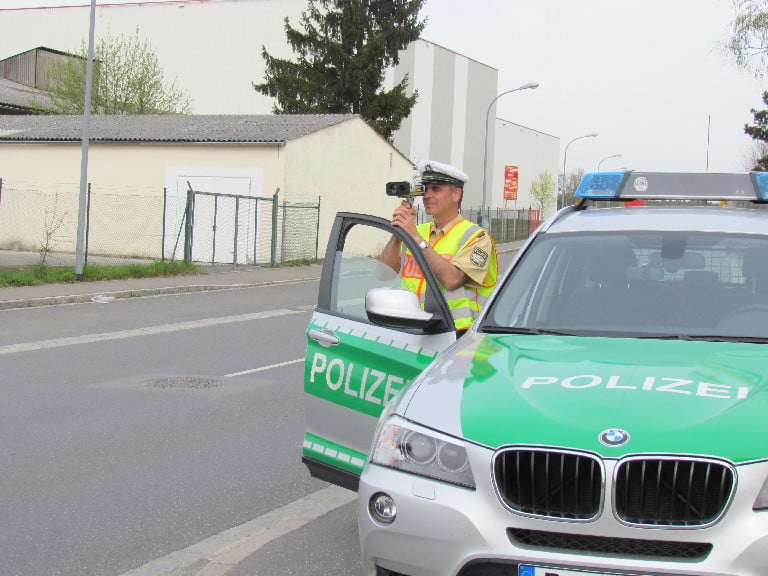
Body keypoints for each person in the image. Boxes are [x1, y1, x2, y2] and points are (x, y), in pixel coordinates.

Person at [380, 159, 498, 333]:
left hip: (455, 336)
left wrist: (415, 237)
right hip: (411, 330)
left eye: (436, 189)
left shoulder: (477, 237)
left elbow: (452, 280)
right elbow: (383, 274)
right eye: (425, 189)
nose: (427, 195)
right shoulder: (417, 230)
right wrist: (398, 232)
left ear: (456, 194)